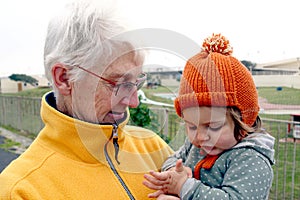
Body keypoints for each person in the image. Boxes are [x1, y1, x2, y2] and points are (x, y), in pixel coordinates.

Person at [0, 1, 173, 199]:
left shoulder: (154, 148)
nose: (133, 102)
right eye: (118, 83)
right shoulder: (21, 190)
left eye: (136, 81)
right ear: (64, 78)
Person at [143, 33, 275, 200]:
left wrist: (184, 187)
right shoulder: (197, 145)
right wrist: (172, 174)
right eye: (191, 126)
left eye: (213, 126)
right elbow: (174, 158)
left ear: (243, 121)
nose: (199, 137)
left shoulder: (251, 159)